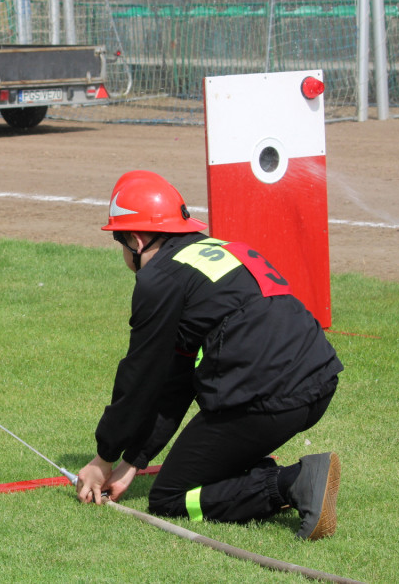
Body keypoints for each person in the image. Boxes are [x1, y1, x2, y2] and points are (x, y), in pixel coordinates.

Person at [76, 170, 344, 540]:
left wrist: (102, 458)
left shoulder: (158, 280)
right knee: (203, 466)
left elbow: (139, 378)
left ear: (135, 240)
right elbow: (175, 382)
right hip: (319, 382)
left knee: (170, 497)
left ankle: (292, 482)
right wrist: (132, 461)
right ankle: (271, 477)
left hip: (267, 398)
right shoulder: (216, 252)